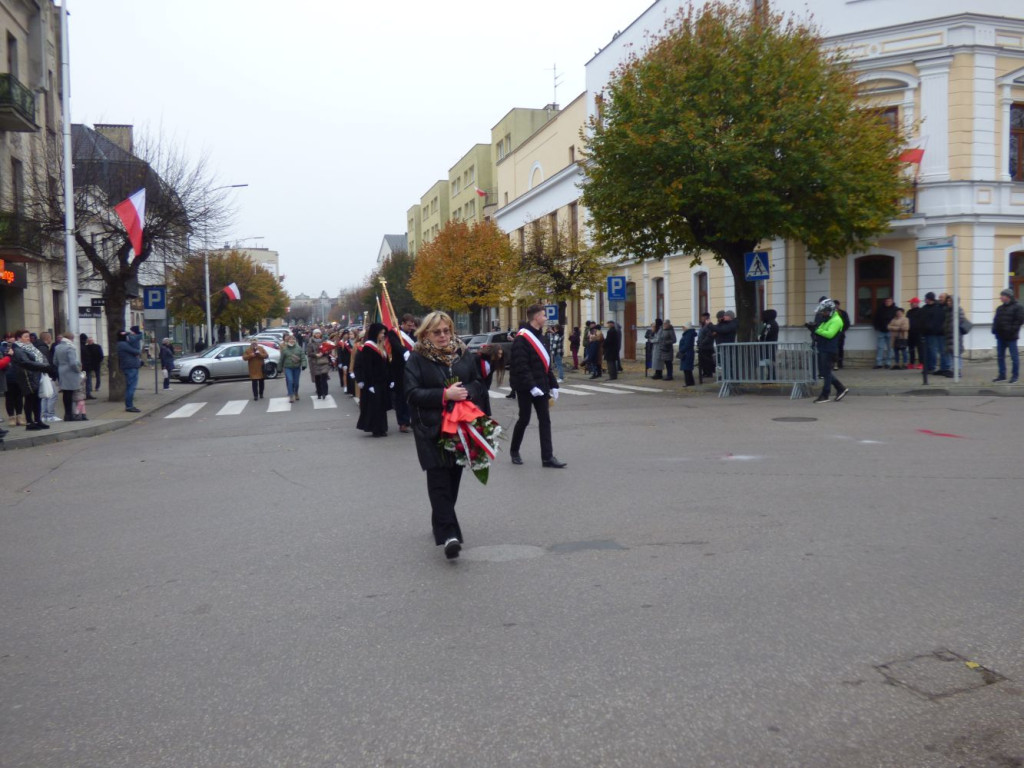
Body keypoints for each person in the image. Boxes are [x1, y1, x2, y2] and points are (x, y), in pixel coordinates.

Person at [405, 311, 486, 559]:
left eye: (446, 330)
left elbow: (479, 383)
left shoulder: (463, 354)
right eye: (437, 331)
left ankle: (439, 521)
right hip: (432, 429)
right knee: (439, 480)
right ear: (426, 333)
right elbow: (411, 394)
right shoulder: (416, 359)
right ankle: (449, 535)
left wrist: (466, 392)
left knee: (452, 481)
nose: (442, 336)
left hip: (461, 427)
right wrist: (444, 395)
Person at [509, 304, 565, 468]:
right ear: (535, 317)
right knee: (524, 419)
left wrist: (553, 385)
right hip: (526, 387)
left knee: (545, 420)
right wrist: (532, 386)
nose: (546, 318)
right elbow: (521, 365)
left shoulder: (542, 337)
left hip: (541, 386)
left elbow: (546, 365)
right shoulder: (521, 338)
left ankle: (547, 458)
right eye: (543, 315)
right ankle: (514, 450)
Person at [11, 329, 51, 430]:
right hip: (26, 376)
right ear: (19, 338)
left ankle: (38, 420)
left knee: (37, 399)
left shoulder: (31, 347)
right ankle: (29, 422)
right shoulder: (18, 349)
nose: (28, 338)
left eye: (28, 336)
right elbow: (25, 362)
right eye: (25, 336)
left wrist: (46, 365)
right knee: (29, 399)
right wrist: (43, 366)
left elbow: (41, 357)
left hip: (36, 375)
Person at [810, 300, 849, 404]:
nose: (823, 313)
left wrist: (816, 330)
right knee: (824, 372)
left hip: (829, 349)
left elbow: (830, 334)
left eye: (825, 312)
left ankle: (825, 394)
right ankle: (840, 388)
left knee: (826, 373)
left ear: (830, 310)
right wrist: (813, 327)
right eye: (822, 312)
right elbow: (820, 329)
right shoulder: (828, 319)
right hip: (823, 348)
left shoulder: (836, 320)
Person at [355, 322, 390, 437]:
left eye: (384, 333)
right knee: (375, 406)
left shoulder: (381, 346)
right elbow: (367, 367)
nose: (383, 335)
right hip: (373, 381)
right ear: (375, 333)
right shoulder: (368, 347)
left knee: (381, 406)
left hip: (382, 381)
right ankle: (375, 428)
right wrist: (368, 384)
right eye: (381, 333)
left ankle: (382, 428)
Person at [992, 288, 1024, 383]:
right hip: (1000, 337)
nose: (1000, 298)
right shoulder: (1000, 308)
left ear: (1008, 297)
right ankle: (1002, 375)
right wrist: (994, 330)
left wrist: (1012, 331)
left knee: (1014, 357)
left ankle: (1015, 376)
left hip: (1011, 337)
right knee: (1000, 357)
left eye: (1002, 296)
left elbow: (1019, 321)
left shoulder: (1018, 307)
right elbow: (996, 320)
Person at [386, 326, 412, 433]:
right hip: (399, 371)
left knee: (412, 397)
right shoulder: (394, 334)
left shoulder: (413, 333)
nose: (411, 327)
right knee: (401, 398)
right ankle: (402, 423)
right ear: (404, 323)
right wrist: (404, 351)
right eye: (409, 325)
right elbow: (395, 344)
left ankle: (412, 420)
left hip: (411, 370)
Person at [53, 332, 82, 422]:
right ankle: (71, 414)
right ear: (71, 338)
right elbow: (73, 362)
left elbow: (55, 361)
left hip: (62, 370)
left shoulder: (57, 347)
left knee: (66, 393)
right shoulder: (70, 347)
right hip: (70, 372)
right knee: (71, 393)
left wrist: (61, 366)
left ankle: (67, 414)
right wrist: (78, 370)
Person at [117, 326, 143, 413]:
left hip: (129, 366)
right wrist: (128, 334)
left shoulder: (121, 344)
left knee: (130, 386)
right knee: (131, 387)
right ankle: (129, 406)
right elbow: (136, 351)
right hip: (130, 367)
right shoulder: (122, 344)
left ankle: (129, 405)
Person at [919, 292, 946, 373]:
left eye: (926, 298)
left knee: (932, 350)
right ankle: (927, 366)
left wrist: (931, 327)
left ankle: (932, 367)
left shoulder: (937, 307)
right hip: (925, 332)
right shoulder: (924, 308)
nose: (925, 300)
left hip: (933, 333)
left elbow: (936, 320)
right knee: (926, 351)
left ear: (929, 299)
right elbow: (921, 319)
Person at [278, 333, 306, 402]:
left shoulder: (298, 348)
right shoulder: (285, 349)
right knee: (290, 381)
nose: (291, 341)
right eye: (290, 339)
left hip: (296, 368)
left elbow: (303, 357)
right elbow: (281, 359)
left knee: (296, 383)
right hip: (288, 368)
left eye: (293, 339)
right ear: (288, 341)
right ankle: (291, 395)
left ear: (295, 340)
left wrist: (304, 364)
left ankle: (296, 392)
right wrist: (279, 368)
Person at [305, 329, 332, 399]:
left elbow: (329, 350)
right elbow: (309, 353)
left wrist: (326, 352)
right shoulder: (310, 343)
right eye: (316, 333)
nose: (317, 335)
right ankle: (319, 393)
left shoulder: (324, 342)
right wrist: (316, 355)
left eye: (319, 333)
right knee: (317, 378)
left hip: (324, 361)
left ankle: (324, 392)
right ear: (314, 334)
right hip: (315, 362)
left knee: (324, 376)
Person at [872, 297, 898, 369]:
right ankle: (879, 363)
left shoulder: (895, 309)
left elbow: (898, 319)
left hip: (891, 331)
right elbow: (875, 318)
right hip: (881, 330)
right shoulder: (880, 309)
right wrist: (876, 326)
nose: (888, 302)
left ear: (892, 301)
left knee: (890, 348)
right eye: (886, 301)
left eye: (889, 301)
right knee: (880, 347)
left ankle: (888, 363)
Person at [697, 313, 716, 381]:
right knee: (703, 361)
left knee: (707, 360)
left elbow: (709, 336)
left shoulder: (709, 326)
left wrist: (702, 343)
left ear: (706, 318)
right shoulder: (702, 326)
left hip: (707, 346)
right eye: (701, 318)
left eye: (703, 318)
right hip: (702, 346)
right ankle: (705, 372)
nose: (702, 319)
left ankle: (709, 373)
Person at [905, 297, 923, 369]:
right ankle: (911, 363)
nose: (910, 304)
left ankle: (921, 363)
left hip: (918, 332)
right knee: (911, 349)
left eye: (911, 303)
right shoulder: (909, 312)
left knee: (920, 349)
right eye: (910, 303)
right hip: (910, 332)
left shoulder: (921, 311)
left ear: (916, 303)